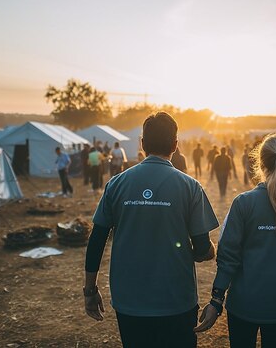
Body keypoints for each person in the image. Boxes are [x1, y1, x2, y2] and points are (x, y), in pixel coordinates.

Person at [83, 112, 219, 348]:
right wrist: (210, 251)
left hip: (130, 301)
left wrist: (90, 290)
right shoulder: (190, 187)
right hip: (177, 301)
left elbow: (97, 239)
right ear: (175, 145)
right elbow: (201, 247)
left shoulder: (116, 184)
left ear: (142, 144)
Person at [194, 134, 276, 348]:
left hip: (244, 307)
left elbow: (228, 258)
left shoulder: (244, 203)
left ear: (260, 163)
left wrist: (217, 300)